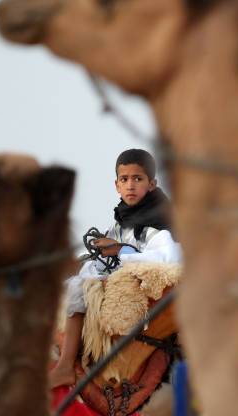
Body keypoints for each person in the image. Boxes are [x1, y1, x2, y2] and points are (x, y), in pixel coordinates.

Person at [49, 149, 181, 388]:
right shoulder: (121, 222)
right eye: (124, 179)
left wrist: (122, 251)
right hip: (117, 284)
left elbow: (168, 258)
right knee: (70, 283)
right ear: (117, 185)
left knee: (80, 288)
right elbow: (105, 260)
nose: (130, 185)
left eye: (137, 179)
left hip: (146, 300)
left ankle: (67, 365)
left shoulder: (160, 222)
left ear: (152, 184)